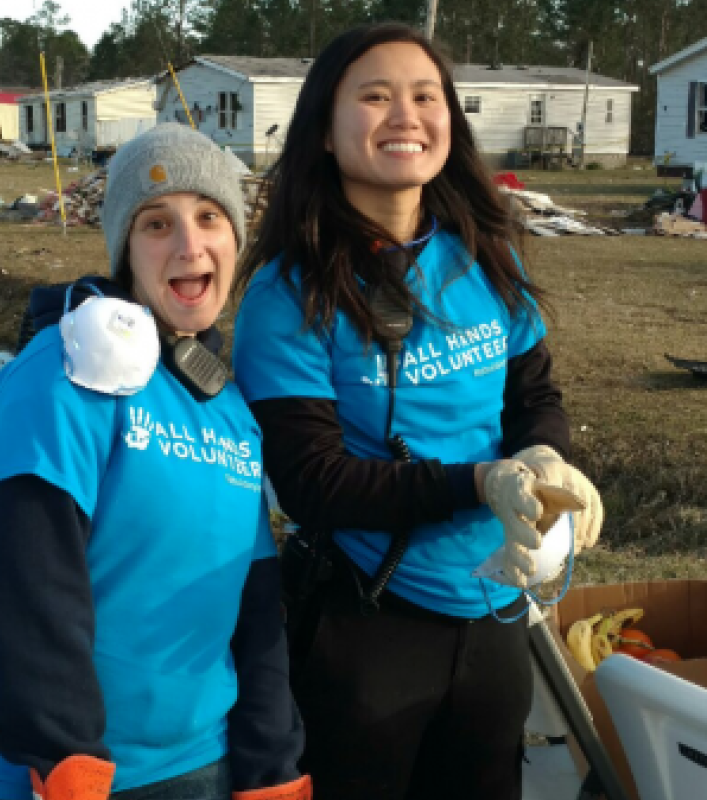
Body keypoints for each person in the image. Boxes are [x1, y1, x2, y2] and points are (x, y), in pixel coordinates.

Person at [232, 23, 604, 800]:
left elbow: (533, 396)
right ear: (325, 134)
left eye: (424, 96)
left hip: (497, 613)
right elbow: (313, 482)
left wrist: (543, 460)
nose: (404, 114)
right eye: (373, 96)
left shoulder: (486, 251)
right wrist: (476, 484)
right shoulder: (289, 293)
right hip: (370, 624)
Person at [0, 124, 311, 800]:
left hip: (197, 763)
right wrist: (66, 760)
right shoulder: (63, 372)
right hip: (47, 775)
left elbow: (253, 604)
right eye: (156, 223)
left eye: (209, 219)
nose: (189, 245)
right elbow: (25, 582)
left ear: (235, 240)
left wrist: (271, 762)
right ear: (125, 251)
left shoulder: (226, 407)